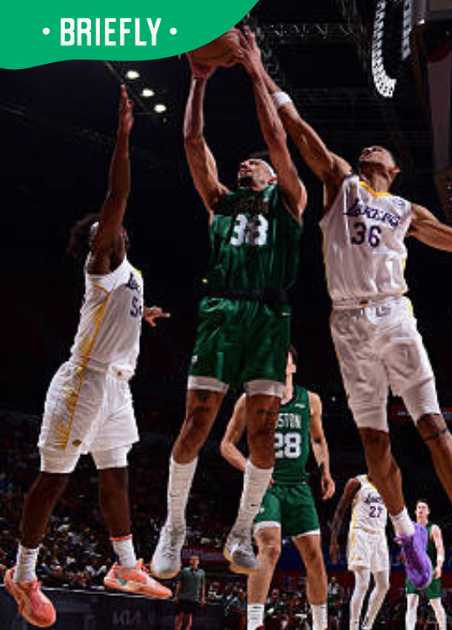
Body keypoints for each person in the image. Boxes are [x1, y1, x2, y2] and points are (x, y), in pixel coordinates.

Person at [249, 38, 452, 588]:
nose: (372, 149)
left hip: (394, 315)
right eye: (368, 149)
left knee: (431, 423)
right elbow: (298, 130)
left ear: (395, 168)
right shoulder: (339, 183)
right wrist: (261, 70)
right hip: (347, 325)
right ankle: (406, 537)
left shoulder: (409, 211)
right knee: (375, 442)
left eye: (383, 149)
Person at [3, 85, 171, 628]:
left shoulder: (129, 276)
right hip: (83, 382)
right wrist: (122, 139)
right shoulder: (100, 265)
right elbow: (116, 197)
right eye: (103, 225)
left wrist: (138, 320)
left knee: (116, 473)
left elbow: (116, 315)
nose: (111, 227)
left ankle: (123, 567)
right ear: (97, 241)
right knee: (54, 478)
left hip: (116, 385)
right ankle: (23, 572)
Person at [152, 27, 308, 579]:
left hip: (269, 315)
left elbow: (276, 138)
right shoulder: (220, 201)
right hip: (221, 311)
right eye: (243, 163)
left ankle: (241, 530)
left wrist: (251, 71)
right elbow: (193, 144)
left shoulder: (289, 199)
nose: (248, 165)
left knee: (263, 430)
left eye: (255, 163)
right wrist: (197, 82)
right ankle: (173, 528)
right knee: (197, 422)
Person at [220, 347, 335, 630]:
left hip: (299, 485)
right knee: (270, 548)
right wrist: (251, 469)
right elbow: (227, 444)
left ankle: (320, 625)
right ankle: (255, 624)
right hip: (265, 486)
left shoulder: (310, 400)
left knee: (314, 556)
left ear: (292, 367)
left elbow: (318, 440)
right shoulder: (250, 399)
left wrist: (325, 472)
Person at [330, 474, 391, 630]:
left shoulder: (387, 483)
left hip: (379, 535)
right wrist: (333, 541)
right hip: (360, 533)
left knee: (384, 585)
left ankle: (367, 625)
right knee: (363, 583)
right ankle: (354, 626)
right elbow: (339, 510)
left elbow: (395, 513)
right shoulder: (356, 483)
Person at [405, 501, 448, 630]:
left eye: (423, 508)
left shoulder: (433, 528)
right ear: (415, 511)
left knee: (436, 604)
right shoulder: (409, 528)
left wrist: (439, 565)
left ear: (428, 511)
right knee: (411, 603)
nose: (420, 510)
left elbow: (440, 548)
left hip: (429, 571)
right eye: (418, 507)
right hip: (414, 571)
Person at [175, 555, 207, 630]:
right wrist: (176, 595)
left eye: (195, 560)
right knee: (180, 617)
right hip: (183, 597)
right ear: (190, 561)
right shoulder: (184, 570)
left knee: (189, 618)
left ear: (198, 562)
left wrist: (202, 598)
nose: (193, 561)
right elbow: (179, 584)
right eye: (192, 560)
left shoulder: (201, 572)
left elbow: (202, 586)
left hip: (194, 599)